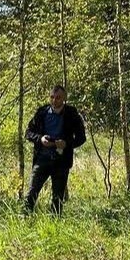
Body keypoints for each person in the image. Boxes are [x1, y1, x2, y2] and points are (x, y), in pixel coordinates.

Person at [24, 85, 86, 216]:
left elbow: (81, 138)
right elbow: (28, 132)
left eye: (58, 98)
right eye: (52, 97)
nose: (54, 100)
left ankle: (55, 225)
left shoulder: (71, 114)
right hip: (42, 158)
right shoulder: (42, 112)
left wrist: (66, 144)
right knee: (31, 193)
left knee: (57, 198)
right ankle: (24, 218)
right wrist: (40, 139)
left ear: (64, 98)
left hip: (61, 161)